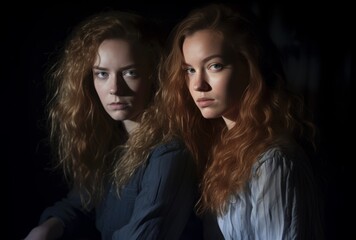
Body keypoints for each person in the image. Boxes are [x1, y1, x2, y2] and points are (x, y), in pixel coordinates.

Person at [24, 10, 201, 240]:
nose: (114, 89)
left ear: (154, 75)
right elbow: (82, 202)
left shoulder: (169, 151)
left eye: (130, 73)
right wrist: (48, 227)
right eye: (102, 74)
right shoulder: (114, 140)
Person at [156, 3, 324, 239]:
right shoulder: (223, 148)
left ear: (250, 66)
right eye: (189, 70)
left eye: (215, 66)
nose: (198, 85)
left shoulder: (272, 161)